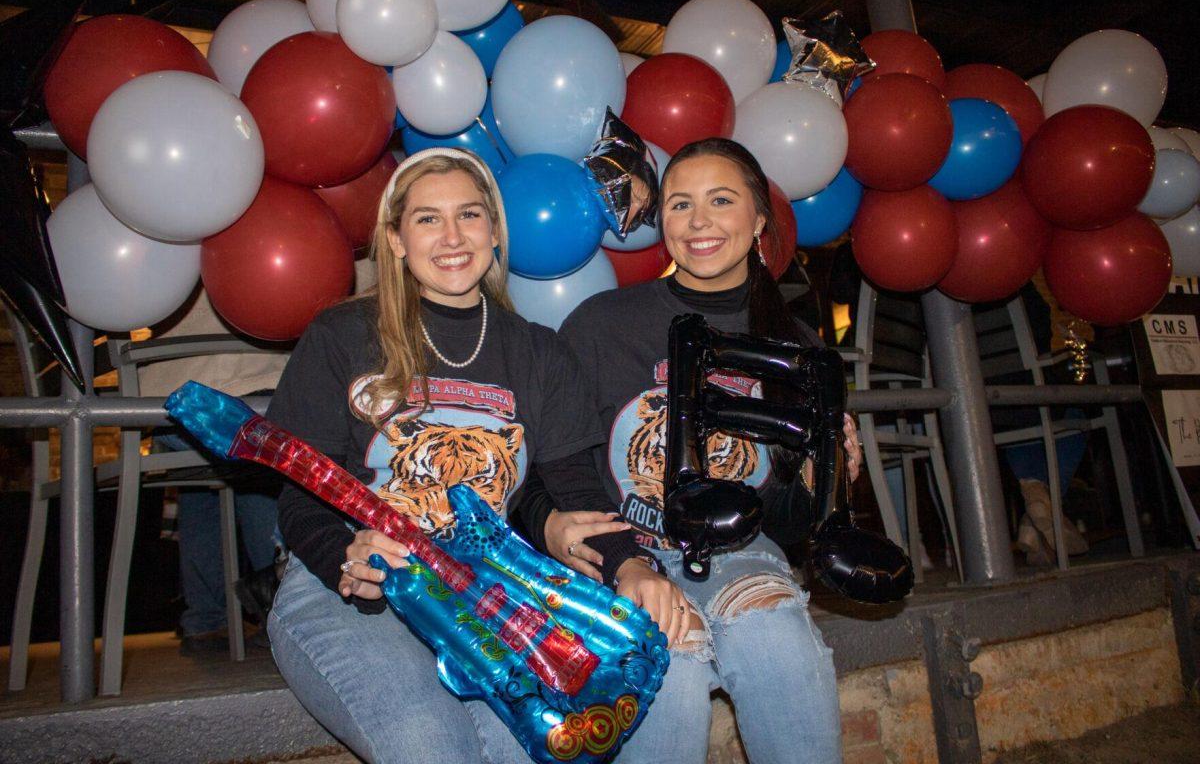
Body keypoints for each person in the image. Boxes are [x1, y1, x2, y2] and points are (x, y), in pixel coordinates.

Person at [264, 147, 683, 764]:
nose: (453, 236)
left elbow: (578, 492)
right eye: (428, 219)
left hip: (486, 593)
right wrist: (342, 555)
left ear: (494, 231)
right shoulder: (342, 335)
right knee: (430, 744)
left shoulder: (539, 352)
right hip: (351, 585)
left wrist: (631, 567)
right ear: (396, 239)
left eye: (469, 215)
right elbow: (300, 491)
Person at [516, 138, 863, 764]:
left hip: (738, 556)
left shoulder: (797, 348)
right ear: (662, 222)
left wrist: (820, 481)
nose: (699, 221)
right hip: (617, 555)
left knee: (777, 638)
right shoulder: (601, 324)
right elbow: (543, 470)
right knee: (668, 670)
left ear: (758, 220)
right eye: (680, 204)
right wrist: (557, 530)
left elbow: (785, 526)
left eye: (721, 201)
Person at [138, 287, 288, 653]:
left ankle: (207, 619)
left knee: (202, 482)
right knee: (261, 454)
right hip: (253, 396)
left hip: (166, 404)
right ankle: (284, 608)